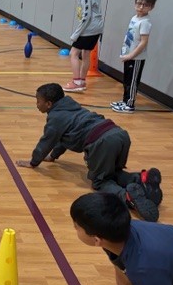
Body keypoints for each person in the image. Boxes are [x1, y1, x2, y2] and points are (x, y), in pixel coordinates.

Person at [15, 83, 162, 222]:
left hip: (103, 142)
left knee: (100, 182)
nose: (36, 104)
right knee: (111, 173)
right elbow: (63, 138)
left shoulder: (55, 117)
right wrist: (53, 156)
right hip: (120, 135)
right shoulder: (71, 106)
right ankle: (141, 179)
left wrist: (34, 162)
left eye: (38, 101)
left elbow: (46, 142)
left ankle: (128, 197)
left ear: (48, 104)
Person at [111, 0, 158, 114]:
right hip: (129, 56)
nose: (141, 7)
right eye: (139, 4)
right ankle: (125, 100)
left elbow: (143, 42)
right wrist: (125, 53)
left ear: (151, 7)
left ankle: (130, 104)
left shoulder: (145, 22)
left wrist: (131, 55)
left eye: (145, 5)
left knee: (132, 82)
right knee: (127, 80)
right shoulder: (134, 18)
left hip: (136, 58)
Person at [64, 0, 104, 93]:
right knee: (86, 54)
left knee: (73, 53)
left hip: (89, 29)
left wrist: (76, 34)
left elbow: (86, 17)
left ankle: (76, 82)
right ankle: (81, 81)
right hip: (96, 29)